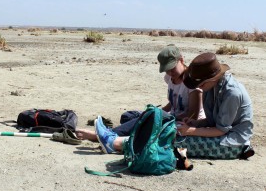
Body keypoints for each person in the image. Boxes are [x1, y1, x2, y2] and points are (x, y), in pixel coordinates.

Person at [76, 45, 204, 145]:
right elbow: (173, 103)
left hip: (184, 123)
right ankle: (117, 134)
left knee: (146, 120)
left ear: (181, 60)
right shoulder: (170, 79)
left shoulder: (192, 83)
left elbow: (193, 115)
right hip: (171, 116)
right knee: (129, 116)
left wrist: (159, 116)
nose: (170, 73)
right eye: (167, 70)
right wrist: (157, 111)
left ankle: (107, 136)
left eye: (172, 69)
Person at [174, 52, 254, 159]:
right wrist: (195, 123)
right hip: (222, 133)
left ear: (213, 78)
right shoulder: (211, 87)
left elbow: (221, 130)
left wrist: (190, 130)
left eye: (201, 84)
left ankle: (242, 150)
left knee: (179, 144)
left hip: (234, 140)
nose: (200, 88)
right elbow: (212, 120)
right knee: (176, 138)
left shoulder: (232, 93)